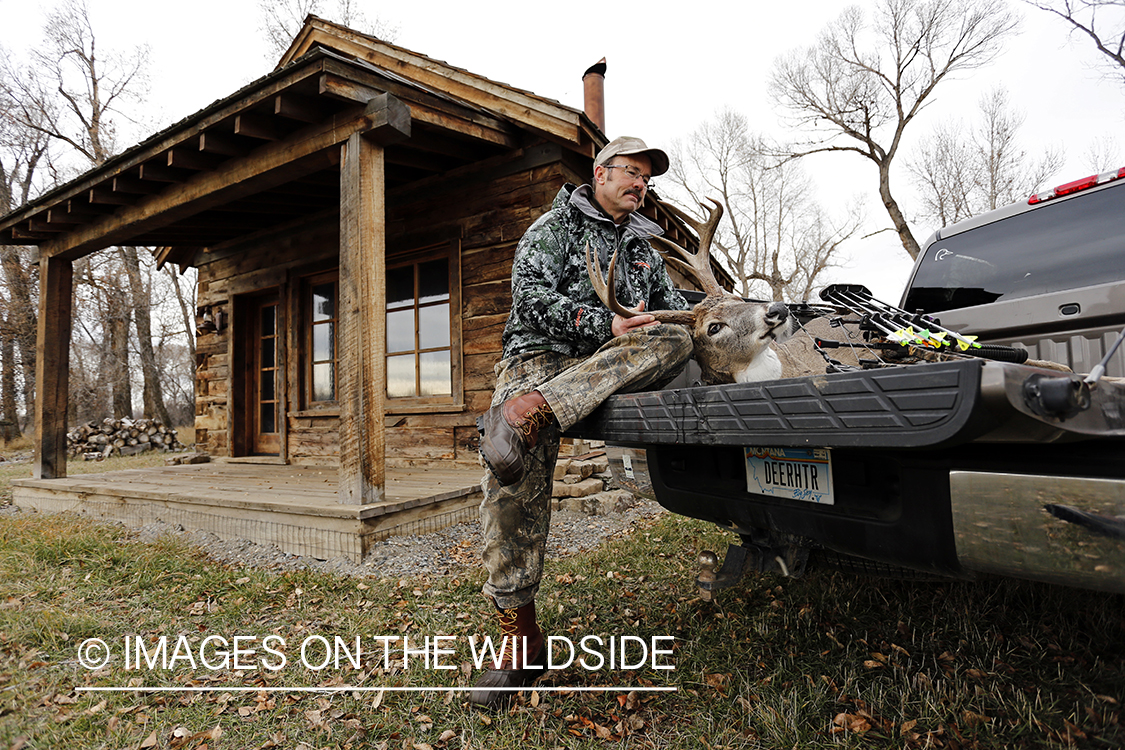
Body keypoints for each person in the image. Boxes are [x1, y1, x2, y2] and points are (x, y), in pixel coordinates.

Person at [470, 136, 694, 708]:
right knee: (508, 478)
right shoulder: (551, 230)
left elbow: (676, 313)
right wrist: (603, 323)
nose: (640, 184)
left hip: (607, 366)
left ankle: (535, 409)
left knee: (673, 338)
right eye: (631, 173)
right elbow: (529, 299)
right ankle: (521, 643)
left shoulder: (645, 251)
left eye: (647, 178)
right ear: (599, 173)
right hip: (540, 357)